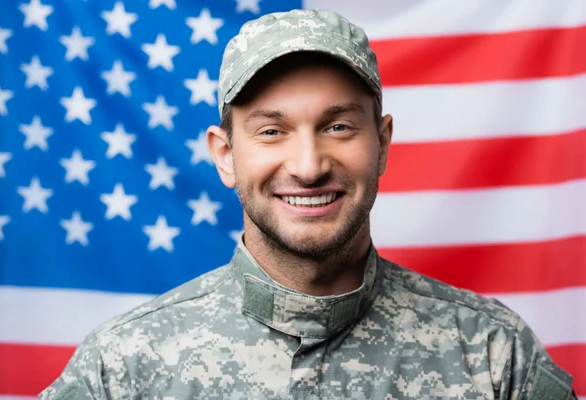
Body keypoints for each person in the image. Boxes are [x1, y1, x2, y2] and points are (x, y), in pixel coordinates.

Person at [39, 9, 577, 400]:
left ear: (382, 144)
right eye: (271, 131)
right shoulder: (122, 367)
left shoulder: (492, 356)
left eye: (338, 126)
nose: (308, 164)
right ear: (225, 156)